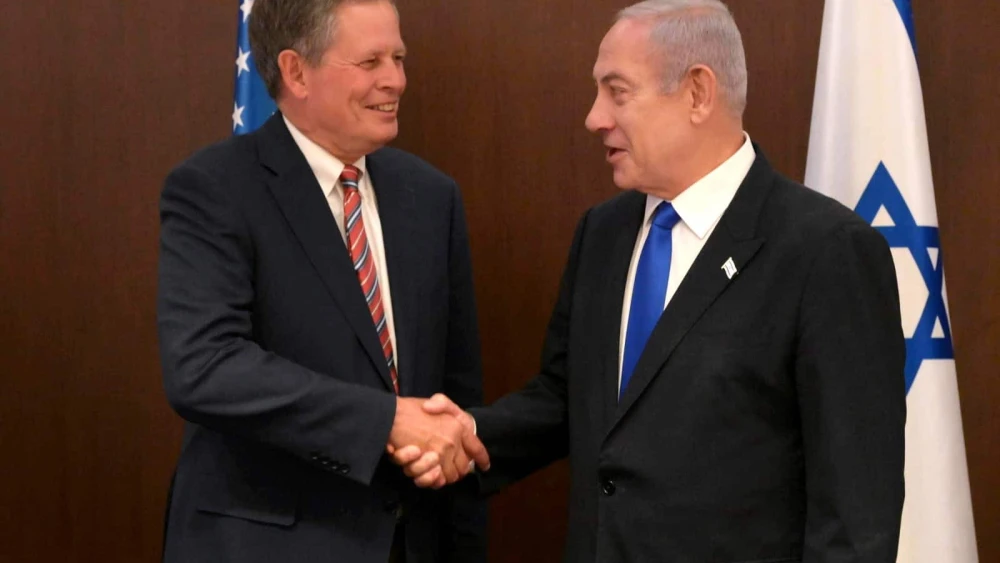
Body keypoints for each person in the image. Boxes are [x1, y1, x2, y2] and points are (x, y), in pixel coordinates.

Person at [394, 1, 906, 561]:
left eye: (617, 91)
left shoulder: (825, 252)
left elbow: (856, 514)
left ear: (696, 94)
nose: (594, 117)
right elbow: (571, 397)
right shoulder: (604, 232)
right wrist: (470, 435)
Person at [157, 1, 488, 561]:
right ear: (296, 72)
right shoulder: (215, 188)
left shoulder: (430, 196)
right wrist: (384, 421)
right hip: (268, 544)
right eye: (370, 61)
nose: (397, 80)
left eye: (400, 57)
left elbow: (453, 396)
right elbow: (204, 367)